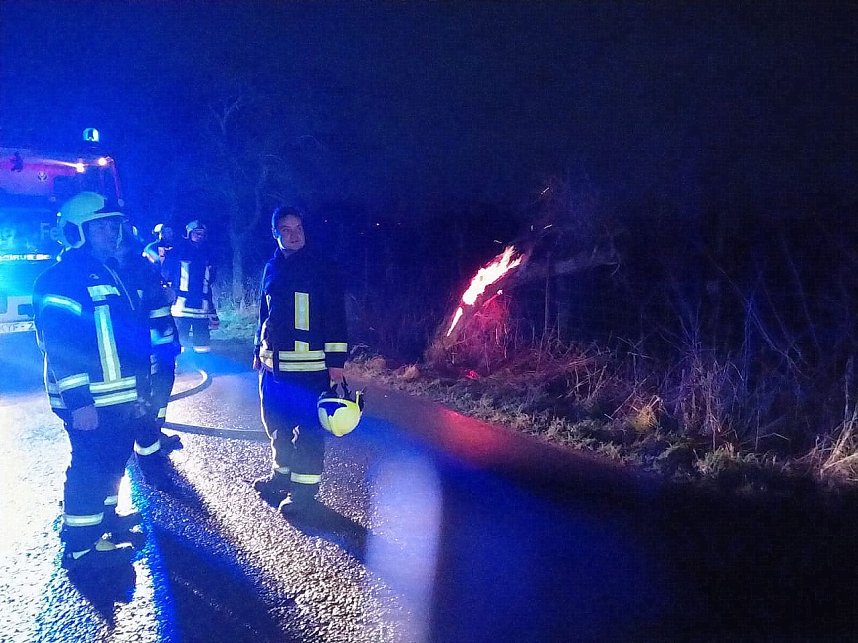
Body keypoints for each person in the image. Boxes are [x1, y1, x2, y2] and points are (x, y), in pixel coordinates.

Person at [33, 192, 151, 571]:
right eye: (101, 226)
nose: (112, 233)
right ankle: (81, 547)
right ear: (76, 231)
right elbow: (63, 343)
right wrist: (80, 401)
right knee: (90, 466)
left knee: (113, 461)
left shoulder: (106, 271)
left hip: (117, 395)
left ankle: (104, 524)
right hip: (90, 400)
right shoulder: (62, 278)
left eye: (113, 226)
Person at [252, 205, 349, 516]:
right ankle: (280, 478)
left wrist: (336, 362)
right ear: (275, 234)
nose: (294, 235)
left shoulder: (322, 267)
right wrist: (257, 349)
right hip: (272, 367)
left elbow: (335, 316)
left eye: (299, 229)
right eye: (286, 230)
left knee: (308, 431)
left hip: (310, 368)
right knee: (276, 426)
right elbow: (264, 313)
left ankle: (304, 495)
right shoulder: (271, 268)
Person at [162, 219, 219, 354]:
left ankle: (204, 370)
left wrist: (212, 310)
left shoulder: (209, 253)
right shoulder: (177, 252)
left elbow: (210, 280)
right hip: (181, 306)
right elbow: (166, 274)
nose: (200, 236)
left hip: (202, 305)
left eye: (202, 234)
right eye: (196, 233)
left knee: (203, 345)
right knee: (182, 342)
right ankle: (184, 368)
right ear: (189, 234)